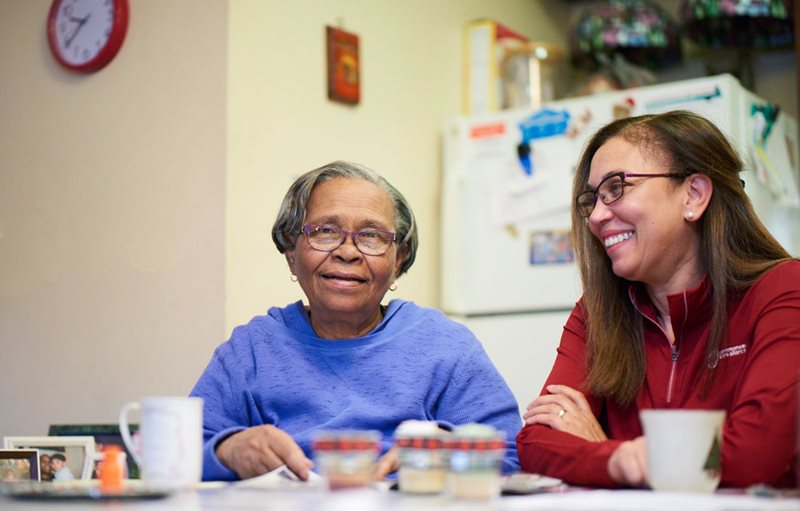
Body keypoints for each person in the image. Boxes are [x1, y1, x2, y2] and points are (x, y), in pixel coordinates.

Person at [516, 110, 799, 488]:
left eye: (616, 187)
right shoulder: (596, 313)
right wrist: (621, 460)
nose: (596, 217)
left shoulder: (783, 290)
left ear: (693, 196)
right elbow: (537, 443)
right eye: (592, 199)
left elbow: (753, 455)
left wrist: (614, 453)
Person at [191, 160, 521, 481]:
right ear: (292, 254)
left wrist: (453, 452)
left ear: (398, 260)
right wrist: (227, 450)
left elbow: (513, 453)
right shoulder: (251, 350)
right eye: (325, 231)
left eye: (371, 236)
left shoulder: (446, 347)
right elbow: (175, 450)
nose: (347, 252)